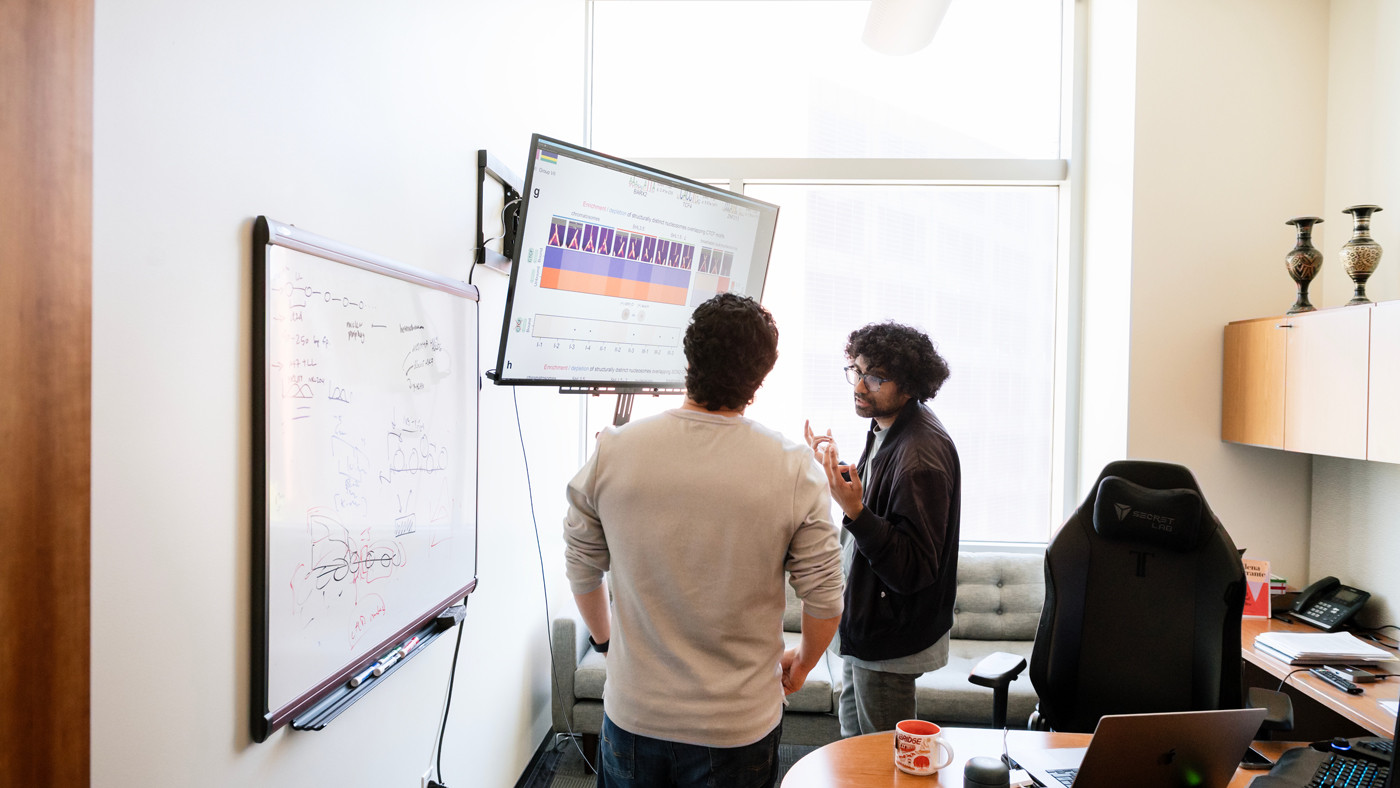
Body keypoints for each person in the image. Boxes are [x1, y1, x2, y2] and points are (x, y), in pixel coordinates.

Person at [564, 293, 844, 788]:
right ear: (760, 378)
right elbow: (825, 601)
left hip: (635, 713)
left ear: (689, 359)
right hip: (738, 725)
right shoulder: (793, 467)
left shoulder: (615, 450)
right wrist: (801, 666)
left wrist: (606, 643)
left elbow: (582, 567)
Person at [804, 321, 960, 738]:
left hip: (890, 635)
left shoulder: (920, 457)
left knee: (882, 757)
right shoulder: (891, 425)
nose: (859, 386)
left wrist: (854, 511)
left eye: (875, 377)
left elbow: (913, 568)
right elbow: (882, 500)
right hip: (867, 624)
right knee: (852, 745)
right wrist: (834, 468)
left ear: (908, 385)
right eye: (856, 371)